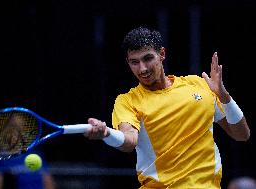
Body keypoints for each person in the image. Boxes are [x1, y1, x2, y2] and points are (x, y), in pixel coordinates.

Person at [83, 27, 251, 188]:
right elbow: (129, 141)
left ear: (161, 54)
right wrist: (107, 134)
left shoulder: (198, 84)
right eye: (135, 62)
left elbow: (242, 134)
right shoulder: (127, 101)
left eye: (148, 58)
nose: (142, 69)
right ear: (128, 62)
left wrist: (224, 96)